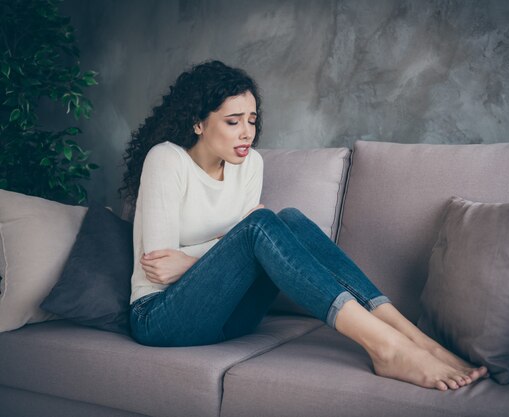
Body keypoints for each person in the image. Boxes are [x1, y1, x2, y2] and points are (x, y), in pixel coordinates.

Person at [120, 60, 488, 391]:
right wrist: (226, 242)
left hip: (230, 318)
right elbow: (159, 270)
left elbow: (226, 257)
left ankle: (414, 336)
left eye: (251, 120)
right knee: (260, 224)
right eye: (233, 122)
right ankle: (385, 347)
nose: (247, 133)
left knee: (289, 220)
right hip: (161, 317)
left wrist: (196, 257)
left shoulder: (250, 165)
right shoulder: (167, 160)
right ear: (198, 123)